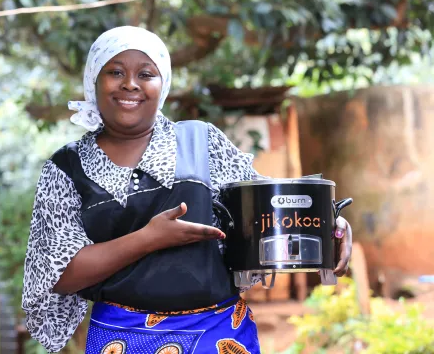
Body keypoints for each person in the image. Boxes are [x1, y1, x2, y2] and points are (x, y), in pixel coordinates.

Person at [22, 26, 353, 354]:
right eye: (116, 71)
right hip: (122, 340)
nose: (130, 84)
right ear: (94, 79)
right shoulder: (67, 167)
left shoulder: (200, 141)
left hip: (218, 335)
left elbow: (267, 213)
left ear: (163, 84)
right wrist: (149, 238)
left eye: (146, 73)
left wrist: (329, 226)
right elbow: (60, 273)